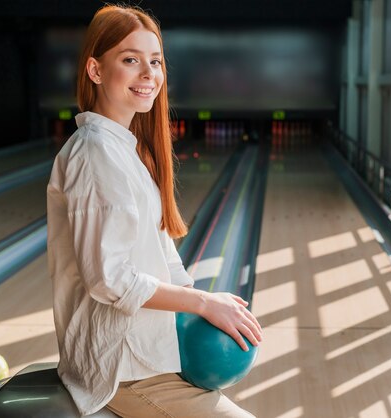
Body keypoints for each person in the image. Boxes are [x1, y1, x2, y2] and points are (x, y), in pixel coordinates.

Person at [46, 5, 262, 417]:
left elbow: (163, 254)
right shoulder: (96, 154)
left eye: (156, 62)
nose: (149, 75)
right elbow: (109, 279)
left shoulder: (126, 151)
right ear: (95, 70)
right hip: (123, 369)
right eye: (131, 60)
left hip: (150, 354)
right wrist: (200, 304)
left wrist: (203, 301)